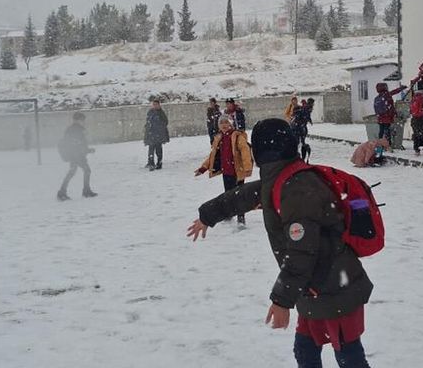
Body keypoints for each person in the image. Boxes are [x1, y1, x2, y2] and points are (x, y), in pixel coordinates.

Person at [186, 119, 374, 368]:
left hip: (334, 287)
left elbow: (302, 252)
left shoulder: (297, 189)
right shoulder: (281, 178)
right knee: (305, 351)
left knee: (348, 357)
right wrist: (207, 216)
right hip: (313, 287)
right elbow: (242, 197)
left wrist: (282, 301)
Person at [194, 117, 254, 225]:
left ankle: (241, 217)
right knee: (228, 196)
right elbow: (212, 155)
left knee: (239, 196)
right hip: (226, 172)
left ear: (231, 124)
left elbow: (245, 151)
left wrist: (247, 167)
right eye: (221, 123)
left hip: (238, 171)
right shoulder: (219, 138)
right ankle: (228, 215)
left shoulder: (237, 136)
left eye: (226, 122)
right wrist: (203, 168)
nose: (224, 125)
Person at [58, 112, 97, 200]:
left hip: (75, 154)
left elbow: (80, 143)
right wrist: (86, 150)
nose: (83, 122)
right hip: (77, 155)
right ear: (77, 120)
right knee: (86, 171)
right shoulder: (75, 129)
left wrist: (87, 150)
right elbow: (75, 144)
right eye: (82, 120)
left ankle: (62, 192)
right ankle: (85, 191)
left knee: (73, 172)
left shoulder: (74, 129)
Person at [144, 99, 170, 171]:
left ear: (159, 105)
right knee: (151, 149)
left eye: (156, 104)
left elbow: (165, 122)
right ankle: (151, 163)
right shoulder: (150, 112)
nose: (154, 106)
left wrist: (159, 127)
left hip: (158, 135)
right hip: (151, 134)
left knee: (158, 150)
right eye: (153, 104)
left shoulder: (161, 113)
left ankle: (159, 163)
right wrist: (147, 128)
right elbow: (148, 121)